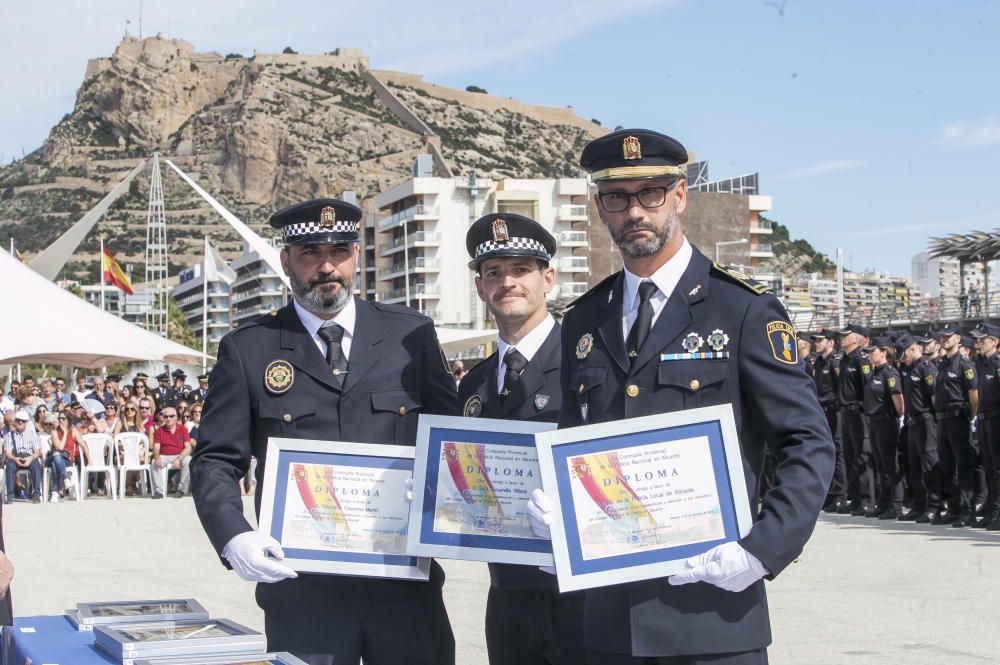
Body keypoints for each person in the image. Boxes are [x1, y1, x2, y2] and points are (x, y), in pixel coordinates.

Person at [528, 129, 834, 665]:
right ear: (600, 207)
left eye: (651, 193)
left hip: (713, 615)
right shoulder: (583, 318)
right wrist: (558, 512)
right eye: (618, 198)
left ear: (680, 196)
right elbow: (575, 441)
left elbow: (807, 442)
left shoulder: (740, 310)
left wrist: (763, 550)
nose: (635, 212)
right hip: (609, 621)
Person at [190, 198, 459, 665]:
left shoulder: (410, 337)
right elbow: (215, 459)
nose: (326, 267)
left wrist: (440, 490)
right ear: (287, 260)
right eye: (310, 254)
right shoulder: (249, 349)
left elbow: (453, 440)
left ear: (357, 255)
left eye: (339, 252)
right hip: (302, 591)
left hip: (404, 589)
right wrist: (234, 536)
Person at [458, 213, 585, 665]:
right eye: (493, 272)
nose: (506, 282)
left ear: (547, 278)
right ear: (480, 287)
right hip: (508, 598)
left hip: (582, 599)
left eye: (520, 269)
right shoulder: (472, 385)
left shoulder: (586, 365)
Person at [933, 323, 979, 527]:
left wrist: (970, 417)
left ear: (958, 339)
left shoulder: (965, 365)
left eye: (948, 336)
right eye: (942, 337)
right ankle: (953, 509)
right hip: (942, 419)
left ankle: (967, 510)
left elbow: (973, 396)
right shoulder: (942, 364)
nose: (944, 340)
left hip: (958, 418)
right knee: (947, 467)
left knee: (963, 466)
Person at [897, 334, 940, 522]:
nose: (902, 357)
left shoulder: (926, 368)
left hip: (926, 421)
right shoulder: (909, 369)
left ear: (913, 349)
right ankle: (919, 504)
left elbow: (934, 397)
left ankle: (934, 506)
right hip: (912, 423)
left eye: (904, 353)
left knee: (929, 464)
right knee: (914, 467)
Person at [863, 337, 905, 519]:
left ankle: (896, 504)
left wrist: (898, 417)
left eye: (873, 351)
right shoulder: (874, 373)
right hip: (874, 422)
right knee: (880, 464)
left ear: (883, 353)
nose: (870, 354)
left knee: (890, 465)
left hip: (886, 421)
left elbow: (898, 400)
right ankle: (883, 502)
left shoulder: (890, 373)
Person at [837, 324, 874, 516]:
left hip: (858, 412)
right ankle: (855, 498)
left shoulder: (861, 360)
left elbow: (868, 388)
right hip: (846, 413)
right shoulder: (844, 360)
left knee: (862, 456)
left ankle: (867, 500)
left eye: (846, 335)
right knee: (850, 456)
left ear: (857, 338)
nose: (841, 338)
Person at [811, 329, 845, 512]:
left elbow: (840, 387)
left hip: (834, 410)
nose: (816, 343)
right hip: (822, 411)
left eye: (820, 341)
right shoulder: (818, 362)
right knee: (826, 452)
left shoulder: (835, 362)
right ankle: (830, 494)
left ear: (831, 343)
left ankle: (840, 494)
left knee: (838, 452)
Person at [970, 322, 1000, 529]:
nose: (978, 342)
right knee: (988, 467)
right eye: (977, 339)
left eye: (982, 339)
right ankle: (991, 508)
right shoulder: (979, 363)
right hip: (983, 418)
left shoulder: (998, 364)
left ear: (995, 342)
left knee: (998, 468)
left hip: (997, 418)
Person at [150, 407, 193, 499]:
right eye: (166, 416)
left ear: (176, 417)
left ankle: (181, 489)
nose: (168, 419)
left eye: (171, 416)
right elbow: (156, 448)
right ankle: (159, 491)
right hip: (164, 455)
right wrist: (157, 457)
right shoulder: (159, 431)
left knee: (188, 460)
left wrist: (178, 459)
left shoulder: (182, 429)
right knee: (154, 462)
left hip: (179, 455)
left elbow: (188, 448)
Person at [3, 410, 42, 503]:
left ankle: (36, 495)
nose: (20, 422)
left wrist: (30, 458)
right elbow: (8, 453)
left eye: (23, 421)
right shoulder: (9, 435)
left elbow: (37, 452)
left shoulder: (32, 434)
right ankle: (10, 495)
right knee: (10, 466)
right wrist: (15, 459)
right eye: (18, 420)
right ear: (15, 421)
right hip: (16, 457)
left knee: (36, 466)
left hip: (29, 456)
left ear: (27, 422)